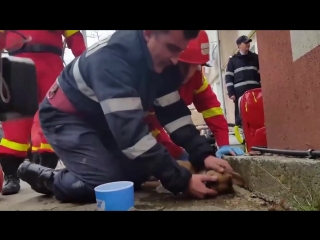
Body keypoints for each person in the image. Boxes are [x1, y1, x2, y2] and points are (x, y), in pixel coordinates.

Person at [17, 30, 234, 203]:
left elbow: (175, 116)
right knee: (105, 185)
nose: (176, 60)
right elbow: (130, 135)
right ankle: (49, 179)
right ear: (148, 33)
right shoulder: (113, 61)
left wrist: (203, 154)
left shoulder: (159, 62)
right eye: (171, 48)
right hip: (65, 117)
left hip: (100, 120)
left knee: (138, 173)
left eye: (181, 50)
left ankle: (87, 168)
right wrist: (183, 181)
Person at [0, 30, 86, 195]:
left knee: (52, 117)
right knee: (15, 123)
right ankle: (11, 174)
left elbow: (75, 39)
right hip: (17, 65)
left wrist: (86, 62)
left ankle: (45, 171)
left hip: (51, 65)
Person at [146, 30, 244, 160]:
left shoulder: (196, 79)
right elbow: (152, 127)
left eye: (199, 65)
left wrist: (223, 144)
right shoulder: (153, 81)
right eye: (189, 66)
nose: (194, 72)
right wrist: (178, 154)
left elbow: (212, 110)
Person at [225, 35, 260, 127]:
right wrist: (231, 92)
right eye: (246, 43)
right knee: (241, 114)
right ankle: (242, 133)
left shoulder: (255, 58)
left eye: (249, 42)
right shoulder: (233, 60)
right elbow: (229, 77)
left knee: (255, 112)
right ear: (239, 45)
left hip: (254, 91)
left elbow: (260, 74)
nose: (248, 44)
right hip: (239, 93)